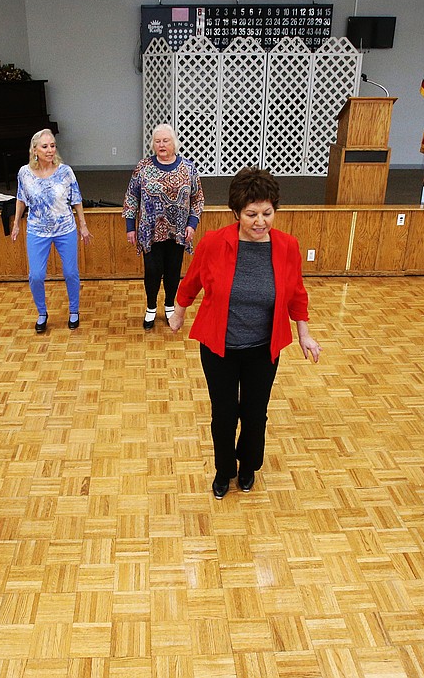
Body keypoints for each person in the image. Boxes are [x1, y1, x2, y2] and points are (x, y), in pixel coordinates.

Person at [169, 168, 320, 499]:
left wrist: (304, 332)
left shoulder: (287, 246)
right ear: (235, 213)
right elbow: (191, 280)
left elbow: (296, 292)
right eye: (251, 214)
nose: (260, 221)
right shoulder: (213, 243)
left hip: (263, 348)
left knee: (255, 413)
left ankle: (249, 466)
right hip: (220, 347)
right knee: (223, 415)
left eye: (267, 213)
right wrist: (178, 312)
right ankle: (225, 470)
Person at [123, 123, 204, 330]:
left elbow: (198, 199)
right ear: (153, 144)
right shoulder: (143, 167)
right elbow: (131, 197)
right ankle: (151, 308)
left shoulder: (188, 168)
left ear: (174, 143)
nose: (161, 145)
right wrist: (130, 226)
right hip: (150, 231)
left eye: (165, 141)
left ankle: (169, 305)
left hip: (178, 231)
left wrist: (192, 224)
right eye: (157, 141)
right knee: (152, 270)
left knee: (172, 271)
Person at [10, 129, 92, 332]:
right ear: (35, 150)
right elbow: (21, 198)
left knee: (71, 272)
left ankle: (74, 311)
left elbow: (77, 200)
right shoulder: (24, 173)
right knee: (36, 275)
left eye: (52, 145)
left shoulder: (65, 171)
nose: (50, 150)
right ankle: (42, 313)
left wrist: (83, 225)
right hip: (37, 230)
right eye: (45, 146)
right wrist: (16, 224)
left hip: (65, 228)